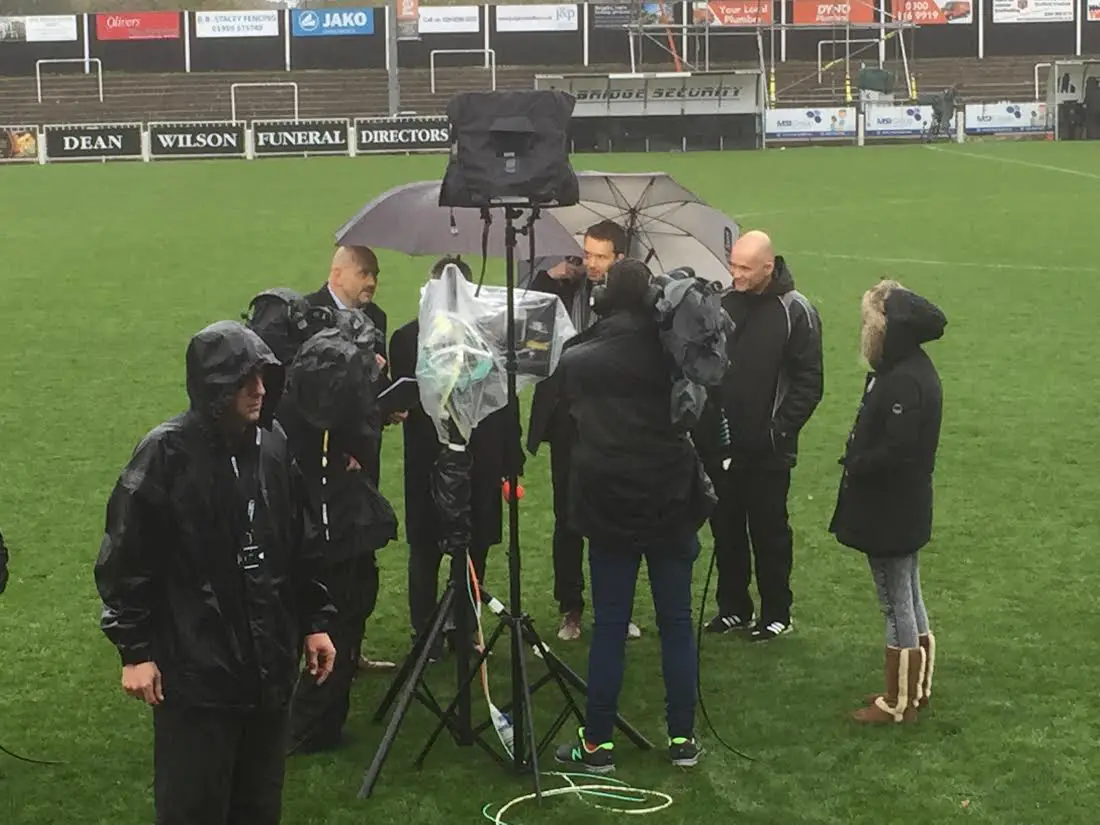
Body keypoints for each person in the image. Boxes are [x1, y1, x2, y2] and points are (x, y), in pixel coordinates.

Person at [94, 321, 336, 825]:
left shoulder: (272, 447)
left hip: (267, 668)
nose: (260, 390)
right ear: (215, 387)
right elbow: (127, 556)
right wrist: (135, 651)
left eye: (265, 377)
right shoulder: (166, 454)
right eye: (246, 380)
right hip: (195, 675)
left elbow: (298, 540)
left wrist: (314, 620)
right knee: (194, 809)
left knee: (258, 806)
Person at [552, 259, 714, 773]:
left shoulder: (579, 357)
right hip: (669, 498)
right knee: (677, 623)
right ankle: (683, 738)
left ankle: (597, 743)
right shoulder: (672, 355)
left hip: (610, 504)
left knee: (609, 626)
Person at [389, 255, 520, 660]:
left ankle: (460, 629)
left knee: (471, 545)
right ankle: (428, 632)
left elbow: (507, 403)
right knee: (427, 548)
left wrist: (511, 465)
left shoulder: (488, 339)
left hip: (475, 459)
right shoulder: (408, 338)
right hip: (433, 459)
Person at [829, 279, 946, 724]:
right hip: (906, 504)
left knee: (895, 597)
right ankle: (916, 688)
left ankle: (898, 702)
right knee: (908, 592)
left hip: (891, 507)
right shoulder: (914, 370)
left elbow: (899, 449)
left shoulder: (902, 382)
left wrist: (857, 463)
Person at [281, 320, 398, 753]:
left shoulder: (294, 397)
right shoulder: (344, 390)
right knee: (343, 621)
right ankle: (313, 727)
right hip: (340, 532)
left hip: (307, 530)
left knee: (313, 623)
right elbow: (362, 445)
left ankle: (307, 723)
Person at [704, 229, 823, 642]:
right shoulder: (722, 302)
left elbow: (810, 381)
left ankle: (777, 611)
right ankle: (733, 607)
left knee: (769, 531)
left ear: (768, 268)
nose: (735, 274)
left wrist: (778, 431)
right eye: (733, 264)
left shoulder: (795, 310)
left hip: (769, 451)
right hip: (723, 444)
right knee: (726, 527)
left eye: (745, 268)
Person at [527, 219, 642, 642]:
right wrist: (550, 277)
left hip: (612, 422)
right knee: (568, 516)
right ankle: (570, 607)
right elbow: (523, 311)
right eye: (587, 253)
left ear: (619, 259)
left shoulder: (631, 302)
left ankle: (618, 607)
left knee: (615, 516)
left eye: (599, 256)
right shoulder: (563, 286)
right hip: (565, 420)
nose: (590, 263)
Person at [303, 244, 395, 674]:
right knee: (326, 559)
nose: (371, 282)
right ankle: (319, 651)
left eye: (375, 274)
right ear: (337, 273)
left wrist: (388, 401)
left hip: (365, 460)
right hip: (325, 466)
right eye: (364, 273)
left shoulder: (376, 320)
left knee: (362, 557)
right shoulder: (307, 316)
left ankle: (353, 653)